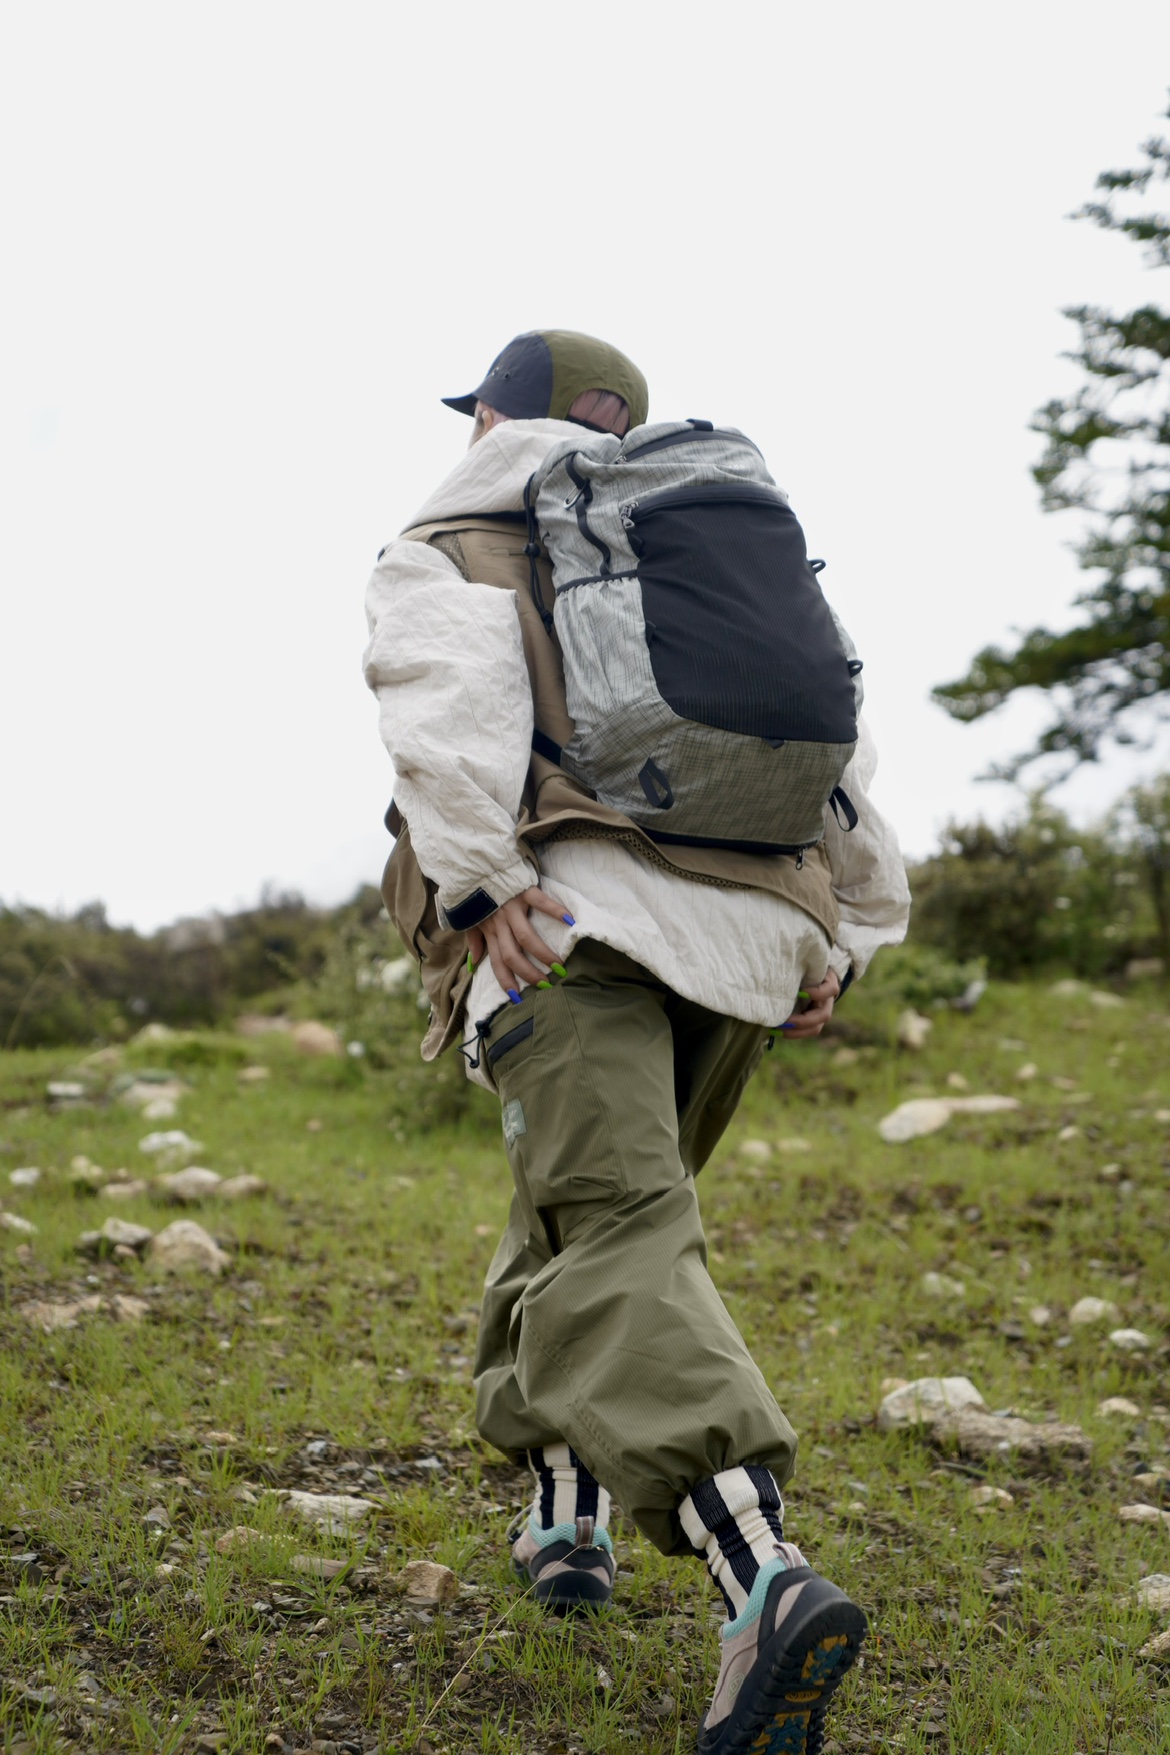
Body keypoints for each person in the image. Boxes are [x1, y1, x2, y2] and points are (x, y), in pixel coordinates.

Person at [363, 329, 910, 1755]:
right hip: (750, 941)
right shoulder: (711, 531)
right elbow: (840, 733)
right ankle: (563, 1524)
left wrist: (478, 881)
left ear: (494, 410)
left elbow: (442, 698)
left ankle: (760, 1582)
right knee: (594, 1215)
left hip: (572, 921)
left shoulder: (470, 521)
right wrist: (847, 930)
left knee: (610, 1236)